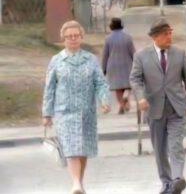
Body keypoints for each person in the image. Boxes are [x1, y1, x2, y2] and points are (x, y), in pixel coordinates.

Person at [130, 19, 186, 194]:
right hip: (154, 108)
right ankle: (166, 182)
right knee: (160, 149)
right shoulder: (141, 56)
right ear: (155, 37)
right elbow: (135, 79)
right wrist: (140, 98)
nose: (169, 37)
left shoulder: (179, 54)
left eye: (170, 33)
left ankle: (177, 179)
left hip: (177, 107)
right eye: (165, 34)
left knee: (175, 144)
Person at [42, 20, 111, 194]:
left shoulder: (91, 59)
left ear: (81, 37)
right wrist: (46, 113)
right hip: (64, 112)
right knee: (71, 148)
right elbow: (49, 88)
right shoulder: (56, 61)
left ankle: (79, 182)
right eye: (69, 36)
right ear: (63, 39)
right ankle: (75, 183)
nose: (73, 39)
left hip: (86, 112)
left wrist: (104, 100)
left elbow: (100, 83)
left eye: (76, 35)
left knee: (82, 149)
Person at [101, 17, 136, 114]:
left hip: (113, 66)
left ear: (111, 26)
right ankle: (126, 95)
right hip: (127, 64)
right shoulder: (128, 37)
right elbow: (133, 53)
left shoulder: (108, 39)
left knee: (118, 88)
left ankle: (121, 105)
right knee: (128, 85)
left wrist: (103, 68)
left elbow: (105, 55)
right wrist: (137, 64)